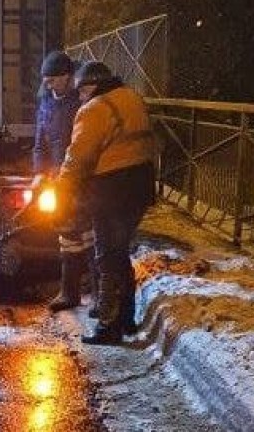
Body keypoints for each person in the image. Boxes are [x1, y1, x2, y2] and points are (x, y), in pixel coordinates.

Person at [55, 62, 157, 345]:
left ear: (92, 86)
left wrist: (63, 187)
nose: (80, 97)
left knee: (108, 256)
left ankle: (109, 326)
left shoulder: (95, 109)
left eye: (82, 90)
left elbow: (79, 156)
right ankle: (126, 318)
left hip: (112, 188)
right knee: (119, 251)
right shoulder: (131, 97)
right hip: (141, 183)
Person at [32, 51, 94, 313]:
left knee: (89, 234)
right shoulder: (46, 103)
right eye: (45, 80)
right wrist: (39, 171)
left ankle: (98, 293)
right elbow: (40, 143)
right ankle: (69, 292)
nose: (48, 84)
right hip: (59, 179)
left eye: (53, 79)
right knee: (66, 233)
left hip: (82, 178)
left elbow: (85, 145)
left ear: (68, 78)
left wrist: (72, 172)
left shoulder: (82, 104)